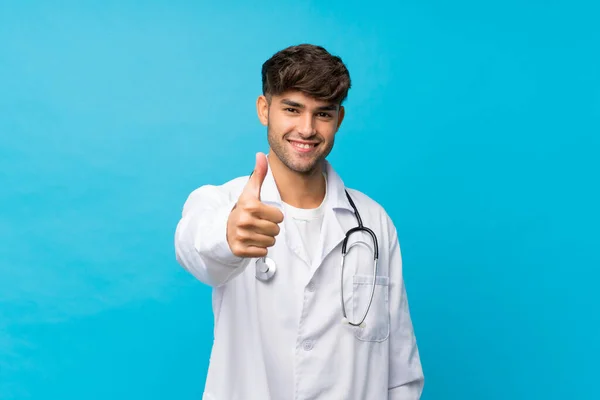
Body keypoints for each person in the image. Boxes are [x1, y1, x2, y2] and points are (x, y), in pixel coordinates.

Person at [174, 43, 424, 400]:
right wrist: (228, 236)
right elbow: (195, 248)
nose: (306, 129)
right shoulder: (222, 204)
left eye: (322, 114)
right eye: (292, 109)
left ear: (338, 119)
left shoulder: (373, 221)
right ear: (265, 109)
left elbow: (401, 371)